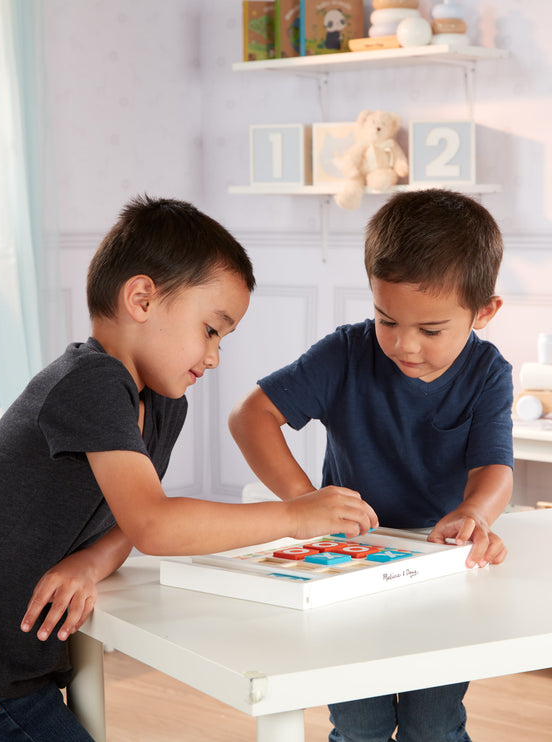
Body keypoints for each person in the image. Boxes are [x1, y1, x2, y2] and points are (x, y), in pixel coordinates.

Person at [0, 196, 377, 742]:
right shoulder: (90, 382)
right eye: (211, 330)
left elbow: (127, 525)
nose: (215, 357)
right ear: (142, 299)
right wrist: (293, 515)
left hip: (13, 658)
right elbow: (156, 524)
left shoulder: (165, 403)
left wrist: (89, 563)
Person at [228, 188, 514, 742]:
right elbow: (251, 417)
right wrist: (302, 502)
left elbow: (493, 469)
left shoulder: (487, 372)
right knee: (358, 725)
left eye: (431, 330)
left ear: (484, 312)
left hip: (441, 568)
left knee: (435, 726)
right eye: (387, 320)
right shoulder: (347, 353)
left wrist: (475, 514)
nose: (405, 345)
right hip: (349, 567)